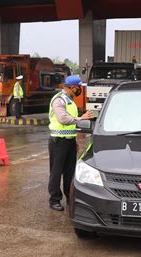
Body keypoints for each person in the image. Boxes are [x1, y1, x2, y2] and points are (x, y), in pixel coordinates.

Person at [48, 75, 93, 211]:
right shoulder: (59, 100)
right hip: (58, 142)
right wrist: (81, 118)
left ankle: (69, 196)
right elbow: (63, 119)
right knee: (56, 172)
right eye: (78, 87)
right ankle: (54, 199)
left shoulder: (70, 101)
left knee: (70, 172)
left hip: (69, 141)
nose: (80, 89)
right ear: (72, 87)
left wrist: (74, 141)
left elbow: (71, 124)